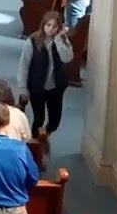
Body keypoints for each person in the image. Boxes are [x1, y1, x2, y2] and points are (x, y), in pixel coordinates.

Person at [16, 11, 74, 140]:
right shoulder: (33, 40)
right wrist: (23, 87)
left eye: (54, 26)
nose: (51, 29)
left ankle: (44, 136)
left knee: (55, 121)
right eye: (48, 25)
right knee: (39, 119)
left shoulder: (62, 40)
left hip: (55, 87)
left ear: (59, 27)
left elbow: (67, 58)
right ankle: (35, 143)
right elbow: (24, 65)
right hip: (37, 86)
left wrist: (59, 40)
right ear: (43, 25)